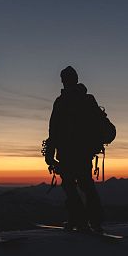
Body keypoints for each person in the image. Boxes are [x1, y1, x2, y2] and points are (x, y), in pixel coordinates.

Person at [44, 66, 105, 232]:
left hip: (67, 151)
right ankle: (94, 221)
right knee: (86, 185)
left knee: (70, 186)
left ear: (63, 80)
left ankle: (77, 220)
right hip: (84, 151)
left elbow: (53, 129)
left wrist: (50, 152)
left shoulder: (61, 101)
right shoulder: (88, 99)